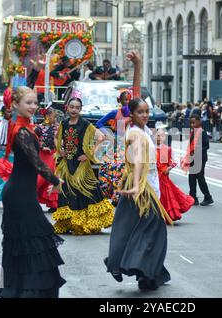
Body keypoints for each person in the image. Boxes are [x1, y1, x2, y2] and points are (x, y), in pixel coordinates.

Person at [0, 86, 65, 298]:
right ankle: (29, 291)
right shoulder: (22, 131)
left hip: (20, 191)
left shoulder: (24, 128)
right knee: (33, 239)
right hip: (19, 194)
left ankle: (23, 289)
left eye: (35, 102)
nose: (34, 106)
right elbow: (36, 164)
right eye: (29, 103)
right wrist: (56, 180)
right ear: (15, 104)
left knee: (25, 242)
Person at [104, 97, 173, 291]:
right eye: (140, 112)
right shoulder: (135, 133)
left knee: (131, 227)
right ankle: (144, 272)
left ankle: (144, 271)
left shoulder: (144, 130)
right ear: (131, 115)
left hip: (148, 183)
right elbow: (137, 162)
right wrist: (135, 185)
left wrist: (137, 66)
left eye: (146, 112)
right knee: (152, 229)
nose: (144, 115)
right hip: (142, 187)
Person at [52, 97, 114, 235]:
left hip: (81, 164)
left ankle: (86, 222)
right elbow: (56, 137)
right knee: (68, 192)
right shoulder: (64, 123)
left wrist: (88, 154)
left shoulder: (85, 124)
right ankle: (70, 222)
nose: (74, 110)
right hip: (67, 164)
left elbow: (101, 138)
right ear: (67, 108)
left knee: (88, 190)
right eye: (71, 107)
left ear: (80, 109)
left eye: (77, 107)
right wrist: (59, 149)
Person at [96, 51, 142, 206]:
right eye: (124, 99)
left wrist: (137, 66)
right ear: (120, 100)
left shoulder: (135, 112)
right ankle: (114, 196)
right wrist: (108, 134)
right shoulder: (114, 113)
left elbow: (136, 89)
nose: (127, 101)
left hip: (131, 146)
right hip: (116, 145)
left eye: (129, 99)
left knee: (128, 171)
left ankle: (125, 196)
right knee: (108, 171)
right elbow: (99, 123)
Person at [156, 128, 194, 221]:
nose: (159, 138)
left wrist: (169, 168)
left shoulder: (167, 149)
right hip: (155, 176)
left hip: (164, 176)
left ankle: (166, 215)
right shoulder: (151, 148)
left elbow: (175, 160)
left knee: (165, 195)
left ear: (164, 137)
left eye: (161, 136)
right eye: (157, 135)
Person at [181, 114, 213, 206]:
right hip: (192, 158)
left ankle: (208, 197)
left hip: (200, 158)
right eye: (191, 123)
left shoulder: (202, 132)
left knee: (200, 178)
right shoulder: (193, 132)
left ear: (199, 122)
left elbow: (206, 146)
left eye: (194, 122)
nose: (192, 125)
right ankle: (193, 197)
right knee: (192, 177)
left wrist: (196, 152)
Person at [35, 106, 59, 213]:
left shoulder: (58, 127)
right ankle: (30, 199)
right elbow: (34, 139)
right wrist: (42, 146)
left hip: (53, 155)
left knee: (52, 177)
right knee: (40, 178)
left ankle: (53, 204)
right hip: (42, 155)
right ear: (47, 116)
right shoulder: (39, 128)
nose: (56, 119)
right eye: (54, 116)